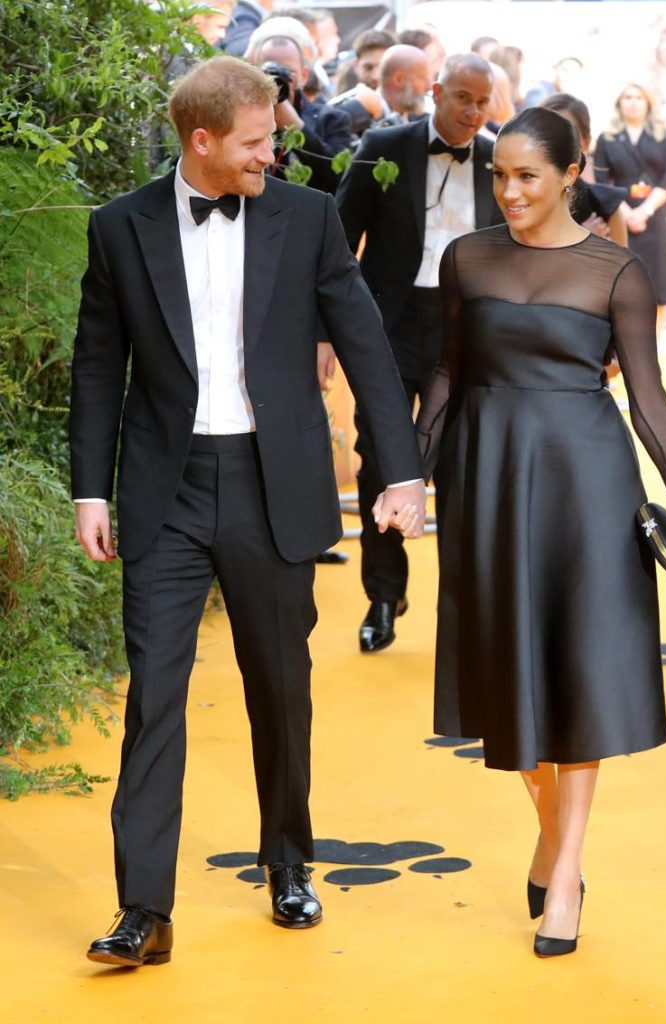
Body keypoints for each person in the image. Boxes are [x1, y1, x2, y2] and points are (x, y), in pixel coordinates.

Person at [71, 56, 426, 967]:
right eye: (259, 142)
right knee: (155, 698)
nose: (275, 154)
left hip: (276, 482)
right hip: (165, 487)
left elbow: (367, 348)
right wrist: (90, 487)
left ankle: (289, 864)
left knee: (281, 686)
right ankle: (144, 909)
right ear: (203, 141)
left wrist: (402, 471)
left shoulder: (305, 218)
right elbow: (98, 363)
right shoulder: (120, 227)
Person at [408, 106, 666, 957]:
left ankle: (565, 874)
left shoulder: (616, 272)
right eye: (498, 175)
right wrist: (413, 474)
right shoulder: (466, 258)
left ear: (571, 174)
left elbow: (646, 398)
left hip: (586, 480)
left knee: (575, 669)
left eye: (526, 176)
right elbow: (445, 372)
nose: (508, 191)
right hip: (488, 477)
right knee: (505, 662)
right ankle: (552, 836)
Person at [336, 54, 502, 653]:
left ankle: (465, 607)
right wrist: (327, 333)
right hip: (389, 324)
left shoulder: (500, 156)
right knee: (380, 457)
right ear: (435, 91)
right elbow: (339, 238)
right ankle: (383, 594)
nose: (472, 111)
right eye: (462, 96)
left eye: (483, 102)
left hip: (467, 330)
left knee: (463, 465)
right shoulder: (385, 145)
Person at [593, 83, 666, 316]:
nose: (632, 102)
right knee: (623, 290)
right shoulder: (607, 138)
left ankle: (655, 350)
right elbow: (601, 181)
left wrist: (644, 211)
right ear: (619, 103)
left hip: (656, 217)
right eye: (627, 97)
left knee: (658, 292)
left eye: (639, 97)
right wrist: (626, 213)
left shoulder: (664, 136)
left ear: (648, 102)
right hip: (619, 216)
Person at [248, 33, 351, 193]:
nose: (276, 79)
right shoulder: (242, 119)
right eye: (268, 71)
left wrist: (297, 127)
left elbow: (340, 179)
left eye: (287, 71)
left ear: (303, 76)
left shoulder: (332, 119)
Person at [541, 93, 628, 246]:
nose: (556, 143)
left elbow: (623, 268)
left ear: (586, 142)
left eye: (567, 134)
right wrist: (582, 242)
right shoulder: (521, 199)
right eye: (546, 134)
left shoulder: (605, 205)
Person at [329, 44, 432, 140]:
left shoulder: (422, 119)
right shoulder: (348, 111)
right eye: (423, 78)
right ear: (399, 79)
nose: (429, 87)